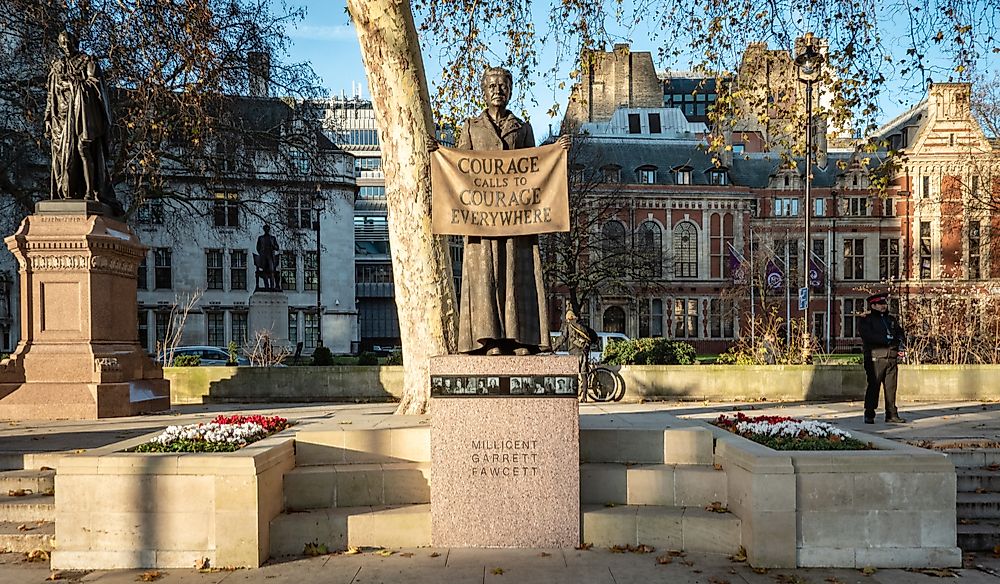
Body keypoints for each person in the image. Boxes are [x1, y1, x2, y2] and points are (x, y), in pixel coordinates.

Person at [430, 66, 570, 356]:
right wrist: (439, 153)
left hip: (516, 222)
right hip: (481, 222)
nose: (498, 89)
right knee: (485, 278)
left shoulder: (524, 128)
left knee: (518, 276)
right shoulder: (470, 128)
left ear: (511, 89)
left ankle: (520, 339)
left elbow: (535, 170)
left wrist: (555, 150)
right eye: (492, 84)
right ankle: (488, 340)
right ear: (483, 90)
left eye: (503, 84)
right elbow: (458, 167)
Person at [45, 30, 122, 214]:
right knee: (64, 157)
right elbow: (51, 95)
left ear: (75, 42)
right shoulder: (57, 66)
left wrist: (73, 84)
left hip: (83, 115)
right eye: (63, 43)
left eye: (69, 42)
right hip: (62, 120)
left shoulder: (87, 61)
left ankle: (90, 191)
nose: (66, 46)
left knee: (84, 148)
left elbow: (94, 85)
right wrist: (48, 118)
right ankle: (68, 192)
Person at [859, 292, 907, 424]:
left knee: (891, 387)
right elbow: (868, 336)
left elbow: (899, 333)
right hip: (876, 358)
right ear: (873, 305)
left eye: (884, 303)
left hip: (891, 357)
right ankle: (869, 413)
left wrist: (900, 344)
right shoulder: (866, 320)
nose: (883, 306)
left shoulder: (891, 320)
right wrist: (887, 340)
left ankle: (891, 414)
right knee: (874, 386)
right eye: (880, 304)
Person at [254, 225, 281, 291]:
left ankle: (272, 286)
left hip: (270, 256)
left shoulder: (272, 238)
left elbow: (277, 248)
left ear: (269, 229)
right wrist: (261, 253)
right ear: (264, 229)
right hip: (263, 256)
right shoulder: (260, 238)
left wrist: (273, 246)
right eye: (265, 228)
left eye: (267, 228)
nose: (266, 230)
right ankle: (266, 286)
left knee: (272, 270)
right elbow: (258, 247)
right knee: (264, 271)